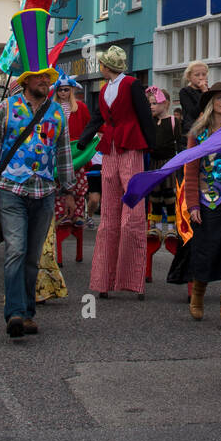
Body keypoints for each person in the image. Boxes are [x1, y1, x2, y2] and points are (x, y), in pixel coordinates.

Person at [0, 0, 76, 338]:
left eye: (49, 78)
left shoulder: (57, 113)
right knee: (15, 250)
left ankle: (29, 312)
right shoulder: (5, 109)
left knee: (32, 256)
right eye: (41, 78)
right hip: (12, 190)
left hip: (44, 192)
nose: (47, 82)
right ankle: (14, 313)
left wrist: (70, 191)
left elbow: (63, 155)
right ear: (26, 81)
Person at [77, 46, 155, 299]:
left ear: (106, 66)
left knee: (132, 214)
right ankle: (104, 279)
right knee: (109, 217)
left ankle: (133, 279)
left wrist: (151, 147)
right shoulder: (104, 89)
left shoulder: (132, 84)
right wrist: (85, 138)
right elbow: (99, 117)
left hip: (131, 144)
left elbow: (144, 115)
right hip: (110, 147)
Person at [183, 83, 221, 331]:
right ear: (211, 103)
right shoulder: (199, 133)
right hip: (208, 202)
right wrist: (192, 204)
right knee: (206, 252)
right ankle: (198, 293)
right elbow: (190, 169)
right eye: (219, 98)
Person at [53, 77, 91, 227]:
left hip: (76, 152)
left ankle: (78, 214)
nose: (63, 92)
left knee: (79, 183)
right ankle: (61, 213)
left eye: (66, 89)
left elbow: (89, 126)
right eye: (60, 89)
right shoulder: (52, 108)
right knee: (58, 183)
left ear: (72, 90)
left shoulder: (80, 107)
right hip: (58, 151)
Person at [146, 86, 184, 234]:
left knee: (169, 194)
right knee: (155, 194)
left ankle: (172, 226)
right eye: (150, 103)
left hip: (168, 162)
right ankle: (155, 225)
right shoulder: (151, 121)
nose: (152, 106)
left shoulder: (174, 121)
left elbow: (179, 142)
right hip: (154, 162)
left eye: (155, 103)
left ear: (165, 103)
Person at [179, 62, 210, 135]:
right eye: (197, 75)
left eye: (204, 74)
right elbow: (193, 112)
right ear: (189, 77)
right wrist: (204, 93)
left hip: (208, 129)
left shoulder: (209, 91)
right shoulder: (185, 92)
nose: (201, 77)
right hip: (192, 131)